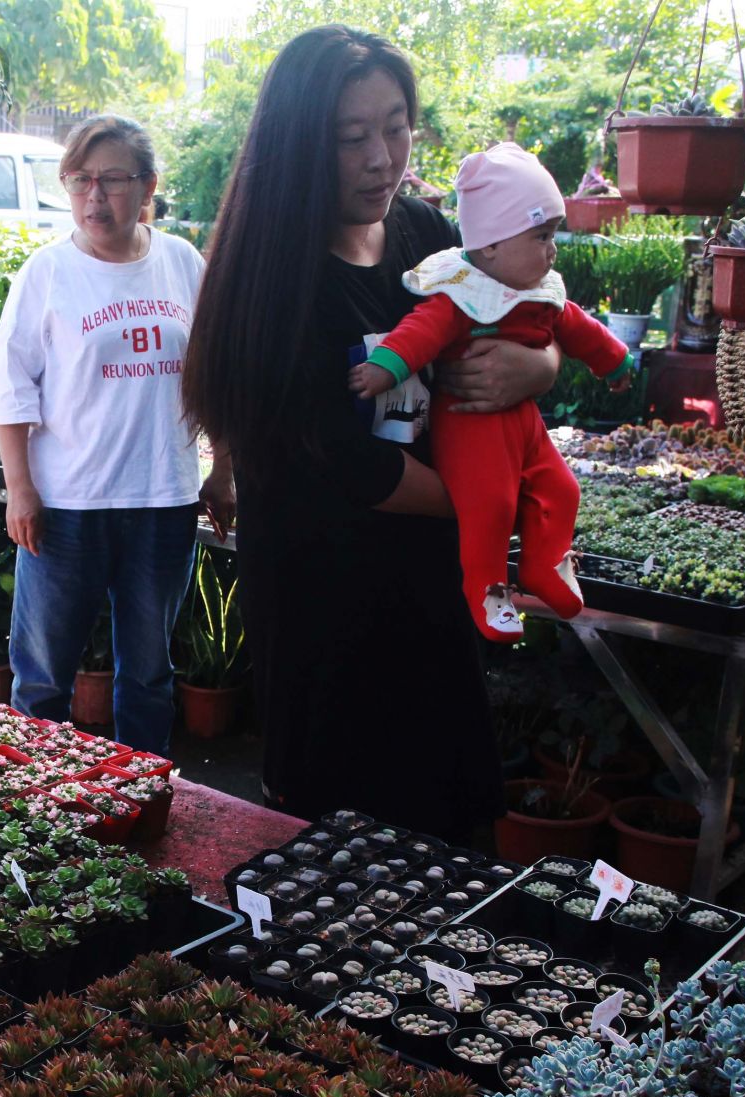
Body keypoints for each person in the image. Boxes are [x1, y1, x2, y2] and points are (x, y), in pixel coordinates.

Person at [182, 26, 562, 842]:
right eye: (350, 138)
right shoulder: (272, 283)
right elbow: (350, 467)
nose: (381, 159)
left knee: (452, 822)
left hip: (432, 592)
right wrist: (488, 503)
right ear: (297, 146)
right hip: (325, 609)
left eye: (396, 128)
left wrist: (539, 368)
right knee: (342, 844)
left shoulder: (426, 236)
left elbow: (530, 316)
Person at [0, 115, 211, 756]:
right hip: (67, 507)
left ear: (148, 186)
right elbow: (10, 386)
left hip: (163, 499)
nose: (94, 197)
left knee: (149, 676)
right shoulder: (48, 271)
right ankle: (36, 799)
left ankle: (143, 796)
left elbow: (212, 373)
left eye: (112, 180)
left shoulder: (181, 262)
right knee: (42, 679)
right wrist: (20, 489)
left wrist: (224, 469)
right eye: (79, 180)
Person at [350, 142, 632, 641]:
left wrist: (614, 362)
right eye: (541, 235)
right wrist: (384, 368)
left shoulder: (539, 293)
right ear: (492, 245)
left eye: (553, 234)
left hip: (526, 426)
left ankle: (545, 564)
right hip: (471, 424)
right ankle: (487, 588)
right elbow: (421, 332)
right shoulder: (462, 292)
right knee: (492, 506)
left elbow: (580, 329)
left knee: (562, 489)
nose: (552, 249)